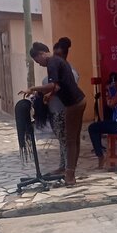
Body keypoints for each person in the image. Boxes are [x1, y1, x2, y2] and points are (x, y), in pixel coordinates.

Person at [25, 42, 86, 186]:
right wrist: (49, 94)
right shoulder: (58, 61)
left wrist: (33, 88)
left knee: (70, 141)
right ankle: (70, 172)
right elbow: (58, 86)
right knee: (74, 140)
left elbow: (52, 85)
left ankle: (70, 176)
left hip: (74, 104)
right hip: (80, 100)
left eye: (37, 60)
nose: (38, 64)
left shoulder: (52, 62)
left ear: (41, 54)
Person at [47, 37, 79, 172]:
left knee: (67, 140)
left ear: (65, 55)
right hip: (55, 109)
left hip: (64, 109)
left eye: (58, 55)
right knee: (62, 140)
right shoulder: (58, 69)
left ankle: (68, 168)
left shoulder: (70, 72)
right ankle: (62, 165)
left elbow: (62, 89)